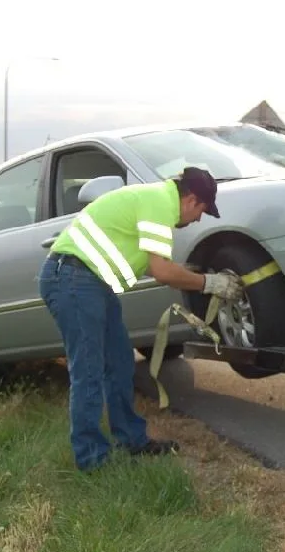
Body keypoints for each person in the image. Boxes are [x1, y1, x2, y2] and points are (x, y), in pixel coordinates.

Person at [37, 166, 243, 471]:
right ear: (191, 200)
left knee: (120, 362)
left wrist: (190, 274)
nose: (198, 218)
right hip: (72, 279)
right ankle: (92, 459)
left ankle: (131, 440)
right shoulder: (160, 203)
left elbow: (153, 263)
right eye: (202, 210)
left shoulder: (155, 200)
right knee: (89, 370)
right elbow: (162, 272)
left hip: (90, 282)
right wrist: (210, 283)